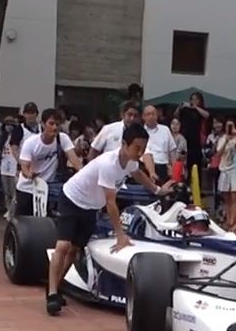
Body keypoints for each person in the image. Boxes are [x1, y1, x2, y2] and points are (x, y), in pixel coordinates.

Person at [47, 123, 171, 315]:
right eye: (137, 148)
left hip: (90, 207)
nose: (140, 152)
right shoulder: (108, 164)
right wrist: (121, 235)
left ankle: (57, 285)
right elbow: (111, 203)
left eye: (143, 149)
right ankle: (52, 294)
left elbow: (137, 174)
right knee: (63, 245)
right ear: (124, 144)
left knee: (75, 250)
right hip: (72, 199)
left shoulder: (130, 161)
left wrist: (157, 190)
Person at [16, 109, 81, 217]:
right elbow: (24, 168)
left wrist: (84, 173)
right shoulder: (31, 143)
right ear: (43, 124)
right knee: (23, 223)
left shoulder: (63, 139)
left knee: (45, 222)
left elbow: (74, 160)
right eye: (51, 123)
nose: (54, 127)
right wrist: (30, 175)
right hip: (27, 189)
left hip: (46, 189)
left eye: (57, 124)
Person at [139, 105, 177, 183]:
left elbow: (172, 150)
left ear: (157, 116)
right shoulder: (140, 131)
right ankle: (152, 174)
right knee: (147, 154)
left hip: (163, 165)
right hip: (145, 165)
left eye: (153, 114)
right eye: (148, 114)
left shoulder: (165, 129)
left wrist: (174, 169)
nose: (151, 116)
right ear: (143, 117)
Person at [176, 92, 209, 175]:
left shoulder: (200, 110)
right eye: (192, 99)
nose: (193, 101)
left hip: (195, 139)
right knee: (183, 160)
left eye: (196, 99)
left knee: (195, 162)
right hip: (185, 137)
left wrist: (196, 107)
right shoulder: (185, 109)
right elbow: (175, 115)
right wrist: (180, 106)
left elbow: (207, 115)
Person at [0, 116, 23, 220]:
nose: (8, 126)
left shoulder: (17, 137)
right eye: (6, 124)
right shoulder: (3, 137)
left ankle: (12, 212)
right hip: (4, 165)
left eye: (10, 124)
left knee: (14, 192)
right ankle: (8, 209)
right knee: (6, 191)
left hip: (14, 165)